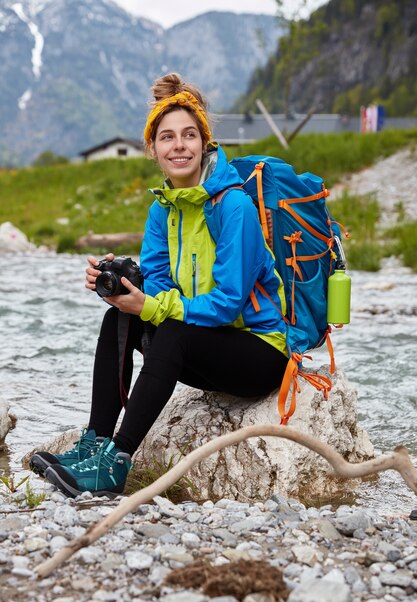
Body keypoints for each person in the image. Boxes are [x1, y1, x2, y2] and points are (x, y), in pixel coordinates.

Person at [30, 73, 289, 498]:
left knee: (170, 327)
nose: (179, 145)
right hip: (207, 345)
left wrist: (148, 306)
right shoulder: (162, 211)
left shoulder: (234, 206)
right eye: (167, 137)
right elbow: (160, 286)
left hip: (259, 353)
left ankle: (116, 464)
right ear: (153, 149)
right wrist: (121, 284)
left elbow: (226, 304)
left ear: (205, 143)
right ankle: (94, 442)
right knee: (119, 318)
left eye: (189, 135)